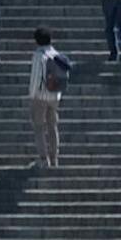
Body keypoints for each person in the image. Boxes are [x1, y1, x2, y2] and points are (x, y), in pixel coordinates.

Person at [27, 26, 70, 168]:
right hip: (55, 96)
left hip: (40, 96)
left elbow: (36, 77)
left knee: (39, 127)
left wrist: (32, 95)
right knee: (53, 127)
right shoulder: (57, 55)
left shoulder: (39, 55)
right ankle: (54, 158)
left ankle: (43, 158)